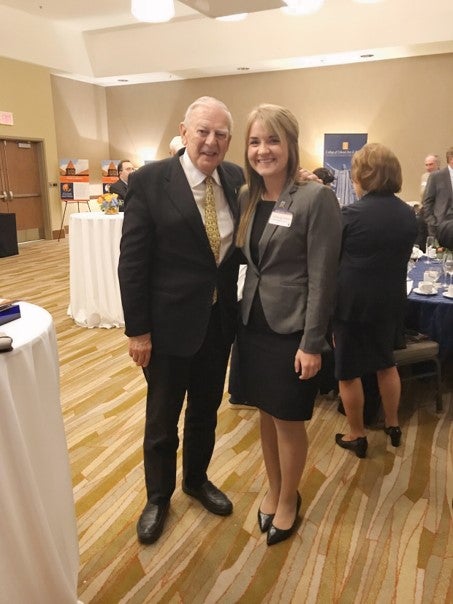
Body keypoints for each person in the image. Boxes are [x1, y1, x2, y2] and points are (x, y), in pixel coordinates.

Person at [118, 96, 244, 545]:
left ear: (229, 140)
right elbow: (132, 262)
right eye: (203, 131)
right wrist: (138, 331)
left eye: (221, 134)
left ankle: (196, 479)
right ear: (185, 131)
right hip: (166, 328)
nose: (211, 141)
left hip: (217, 324)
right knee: (162, 419)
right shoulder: (152, 181)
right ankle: (158, 497)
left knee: (206, 412)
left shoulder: (234, 178)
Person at [235, 104, 342, 545]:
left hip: (293, 330)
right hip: (252, 324)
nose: (263, 150)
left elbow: (323, 276)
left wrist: (313, 342)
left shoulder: (315, 197)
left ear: (291, 145)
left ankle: (289, 498)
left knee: (288, 420)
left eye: (273, 140)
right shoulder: (246, 196)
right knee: (265, 412)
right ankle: (274, 486)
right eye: (256, 141)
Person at [333, 143, 418, 458]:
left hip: (351, 304)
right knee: (386, 364)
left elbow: (333, 259)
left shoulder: (349, 215)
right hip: (390, 302)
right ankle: (393, 424)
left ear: (364, 176)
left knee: (348, 371)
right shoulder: (408, 214)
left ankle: (357, 434)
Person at [422, 147, 453, 237]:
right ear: (451, 159)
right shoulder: (436, 177)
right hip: (441, 228)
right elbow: (427, 202)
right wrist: (433, 223)